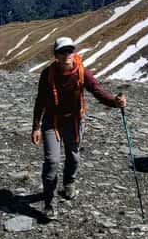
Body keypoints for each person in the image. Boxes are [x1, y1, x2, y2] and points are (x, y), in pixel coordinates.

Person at [31, 36, 127, 219]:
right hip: (52, 122)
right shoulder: (47, 74)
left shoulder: (82, 72)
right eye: (62, 51)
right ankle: (50, 204)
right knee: (52, 162)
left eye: (70, 50)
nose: (67, 54)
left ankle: (69, 184)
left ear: (74, 53)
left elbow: (98, 91)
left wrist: (115, 102)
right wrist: (36, 126)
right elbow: (40, 100)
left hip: (74, 121)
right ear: (56, 56)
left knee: (73, 158)